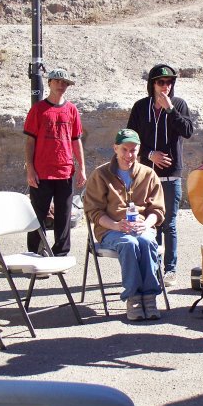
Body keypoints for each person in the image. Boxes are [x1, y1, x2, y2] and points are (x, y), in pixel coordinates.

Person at [83, 128, 165, 321]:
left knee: (146, 242)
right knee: (129, 244)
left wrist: (146, 224)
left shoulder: (148, 174)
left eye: (133, 150)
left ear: (139, 150)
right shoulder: (101, 174)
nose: (129, 155)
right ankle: (134, 298)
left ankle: (150, 297)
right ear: (115, 148)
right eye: (125, 150)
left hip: (141, 227)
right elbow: (94, 211)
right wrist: (116, 225)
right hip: (111, 229)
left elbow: (157, 210)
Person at [127, 64, 194, 287]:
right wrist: (149, 154)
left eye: (169, 82)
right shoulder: (140, 107)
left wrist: (170, 110)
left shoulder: (179, 105)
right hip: (146, 174)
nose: (166, 86)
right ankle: (152, 267)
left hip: (170, 176)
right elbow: (130, 139)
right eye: (161, 82)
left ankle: (170, 270)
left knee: (169, 224)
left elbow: (187, 131)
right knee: (148, 222)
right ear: (152, 84)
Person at [23, 68, 86, 256]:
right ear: (49, 83)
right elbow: (29, 141)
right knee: (38, 215)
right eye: (58, 81)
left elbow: (76, 140)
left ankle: (60, 254)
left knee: (64, 216)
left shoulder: (72, 110)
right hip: (41, 172)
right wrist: (30, 169)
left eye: (65, 83)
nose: (61, 85)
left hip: (65, 171)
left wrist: (82, 168)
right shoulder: (38, 109)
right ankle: (35, 253)